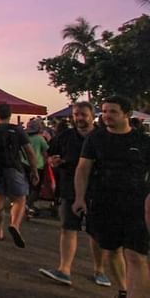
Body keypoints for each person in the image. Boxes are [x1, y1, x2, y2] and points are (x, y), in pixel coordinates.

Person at [73, 95, 150, 298]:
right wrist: (79, 197)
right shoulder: (95, 138)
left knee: (136, 256)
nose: (107, 115)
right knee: (111, 251)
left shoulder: (142, 141)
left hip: (136, 206)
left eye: (112, 111)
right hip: (103, 203)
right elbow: (83, 169)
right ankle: (124, 289)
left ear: (127, 114)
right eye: (105, 111)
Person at [39, 102, 114, 288]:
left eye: (83, 114)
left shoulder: (103, 137)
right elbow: (51, 154)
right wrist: (52, 160)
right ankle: (64, 270)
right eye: (76, 114)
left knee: (96, 233)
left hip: (97, 191)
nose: (79, 118)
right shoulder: (65, 136)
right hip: (69, 188)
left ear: (92, 115)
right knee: (68, 228)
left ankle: (100, 270)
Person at [0, 103, 39, 248]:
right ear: (10, 114)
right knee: (20, 199)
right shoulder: (17, 130)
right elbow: (30, 153)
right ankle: (15, 225)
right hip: (14, 167)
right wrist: (34, 171)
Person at [25, 119, 50, 216]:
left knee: (27, 187)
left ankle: (26, 205)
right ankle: (28, 205)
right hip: (38, 166)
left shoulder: (24, 138)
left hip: (24, 165)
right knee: (36, 188)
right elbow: (45, 152)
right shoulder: (40, 139)